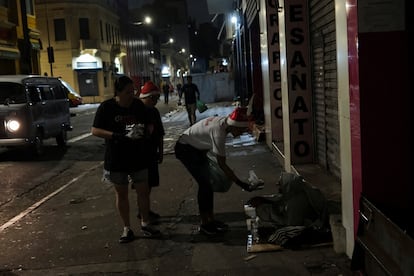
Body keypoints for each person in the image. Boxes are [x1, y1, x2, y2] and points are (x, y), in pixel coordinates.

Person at [91, 75, 160, 243]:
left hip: (138, 156)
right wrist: (115, 135)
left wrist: (145, 132)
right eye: (128, 92)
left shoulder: (138, 105)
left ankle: (145, 223)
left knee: (143, 192)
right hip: (116, 158)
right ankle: (127, 228)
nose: (133, 95)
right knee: (121, 194)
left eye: (133, 91)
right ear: (118, 93)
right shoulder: (106, 107)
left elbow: (150, 123)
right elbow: (95, 130)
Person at [174, 106, 255, 235]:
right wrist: (241, 184)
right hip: (186, 149)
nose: (241, 133)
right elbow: (222, 165)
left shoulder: (224, 122)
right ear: (235, 126)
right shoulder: (219, 133)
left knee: (208, 184)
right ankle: (205, 224)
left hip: (195, 149)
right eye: (241, 130)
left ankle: (210, 220)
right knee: (205, 185)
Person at [137, 80, 165, 222]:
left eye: (156, 99)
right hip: (139, 154)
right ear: (146, 97)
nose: (155, 101)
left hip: (151, 152)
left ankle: (144, 210)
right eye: (153, 98)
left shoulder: (154, 112)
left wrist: (161, 152)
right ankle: (143, 212)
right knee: (142, 185)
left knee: (150, 183)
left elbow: (159, 133)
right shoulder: (137, 111)